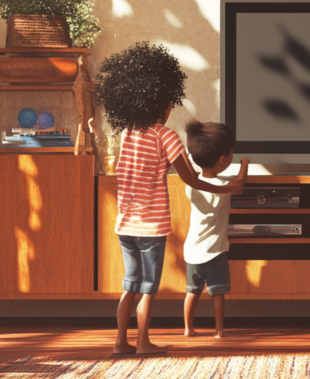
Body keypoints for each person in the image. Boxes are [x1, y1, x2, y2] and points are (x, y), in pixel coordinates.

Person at [94, 41, 243, 355]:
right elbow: (191, 177)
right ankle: (143, 342)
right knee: (148, 289)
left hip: (125, 225)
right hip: (151, 228)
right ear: (162, 105)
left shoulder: (128, 133)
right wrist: (227, 188)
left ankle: (120, 342)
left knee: (130, 285)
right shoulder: (166, 136)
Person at [182, 120, 249, 339]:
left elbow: (189, 166)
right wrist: (245, 163)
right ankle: (219, 331)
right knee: (217, 293)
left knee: (191, 293)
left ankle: (187, 329)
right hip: (215, 251)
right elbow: (239, 183)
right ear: (223, 159)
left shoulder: (190, 185)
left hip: (192, 251)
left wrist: (187, 155)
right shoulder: (224, 186)